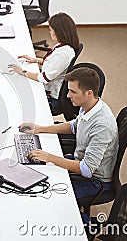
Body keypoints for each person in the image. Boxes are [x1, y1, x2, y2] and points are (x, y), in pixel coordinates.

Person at [19, 67, 118, 199]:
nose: (67, 95)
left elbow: (87, 170)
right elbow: (74, 125)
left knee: (43, 192)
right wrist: (40, 128)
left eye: (73, 92)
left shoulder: (102, 126)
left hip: (95, 181)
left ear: (88, 93)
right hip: (79, 162)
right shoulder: (90, 106)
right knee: (36, 170)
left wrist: (49, 157)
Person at [8, 12, 80, 109]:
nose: (50, 32)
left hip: (50, 94)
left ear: (59, 32)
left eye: (51, 30)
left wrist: (23, 72)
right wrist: (36, 60)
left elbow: (44, 78)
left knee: (15, 88)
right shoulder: (62, 46)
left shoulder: (63, 54)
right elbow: (54, 63)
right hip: (48, 82)